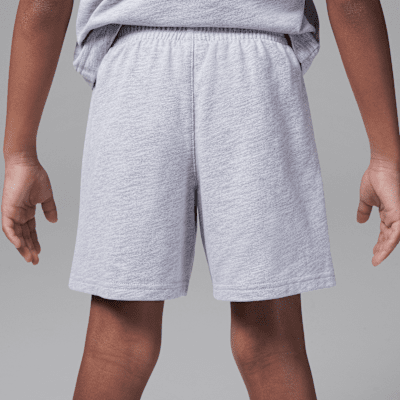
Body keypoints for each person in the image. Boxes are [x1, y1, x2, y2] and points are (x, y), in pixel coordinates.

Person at [2, 0, 400, 398]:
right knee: (272, 345)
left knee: (119, 346)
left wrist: (19, 153)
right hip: (257, 76)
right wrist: (385, 156)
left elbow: (44, 6)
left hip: (135, 75)